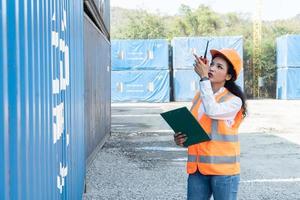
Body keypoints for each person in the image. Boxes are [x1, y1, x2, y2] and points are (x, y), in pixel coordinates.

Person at [174, 48, 247, 200]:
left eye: (219, 67)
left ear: (228, 76)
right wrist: (181, 139)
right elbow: (196, 130)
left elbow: (212, 110)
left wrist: (203, 78)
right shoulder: (199, 97)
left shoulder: (234, 101)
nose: (212, 68)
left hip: (224, 172)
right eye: (212, 64)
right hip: (198, 170)